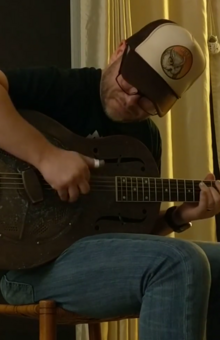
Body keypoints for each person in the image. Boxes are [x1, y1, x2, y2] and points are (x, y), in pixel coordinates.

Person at [0, 18, 219, 340]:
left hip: (92, 259)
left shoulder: (145, 140)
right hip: (24, 269)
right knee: (181, 261)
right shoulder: (64, 88)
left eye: (148, 98)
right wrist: (47, 157)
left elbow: (132, 235)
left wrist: (180, 215)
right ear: (119, 51)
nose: (131, 99)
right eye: (130, 81)